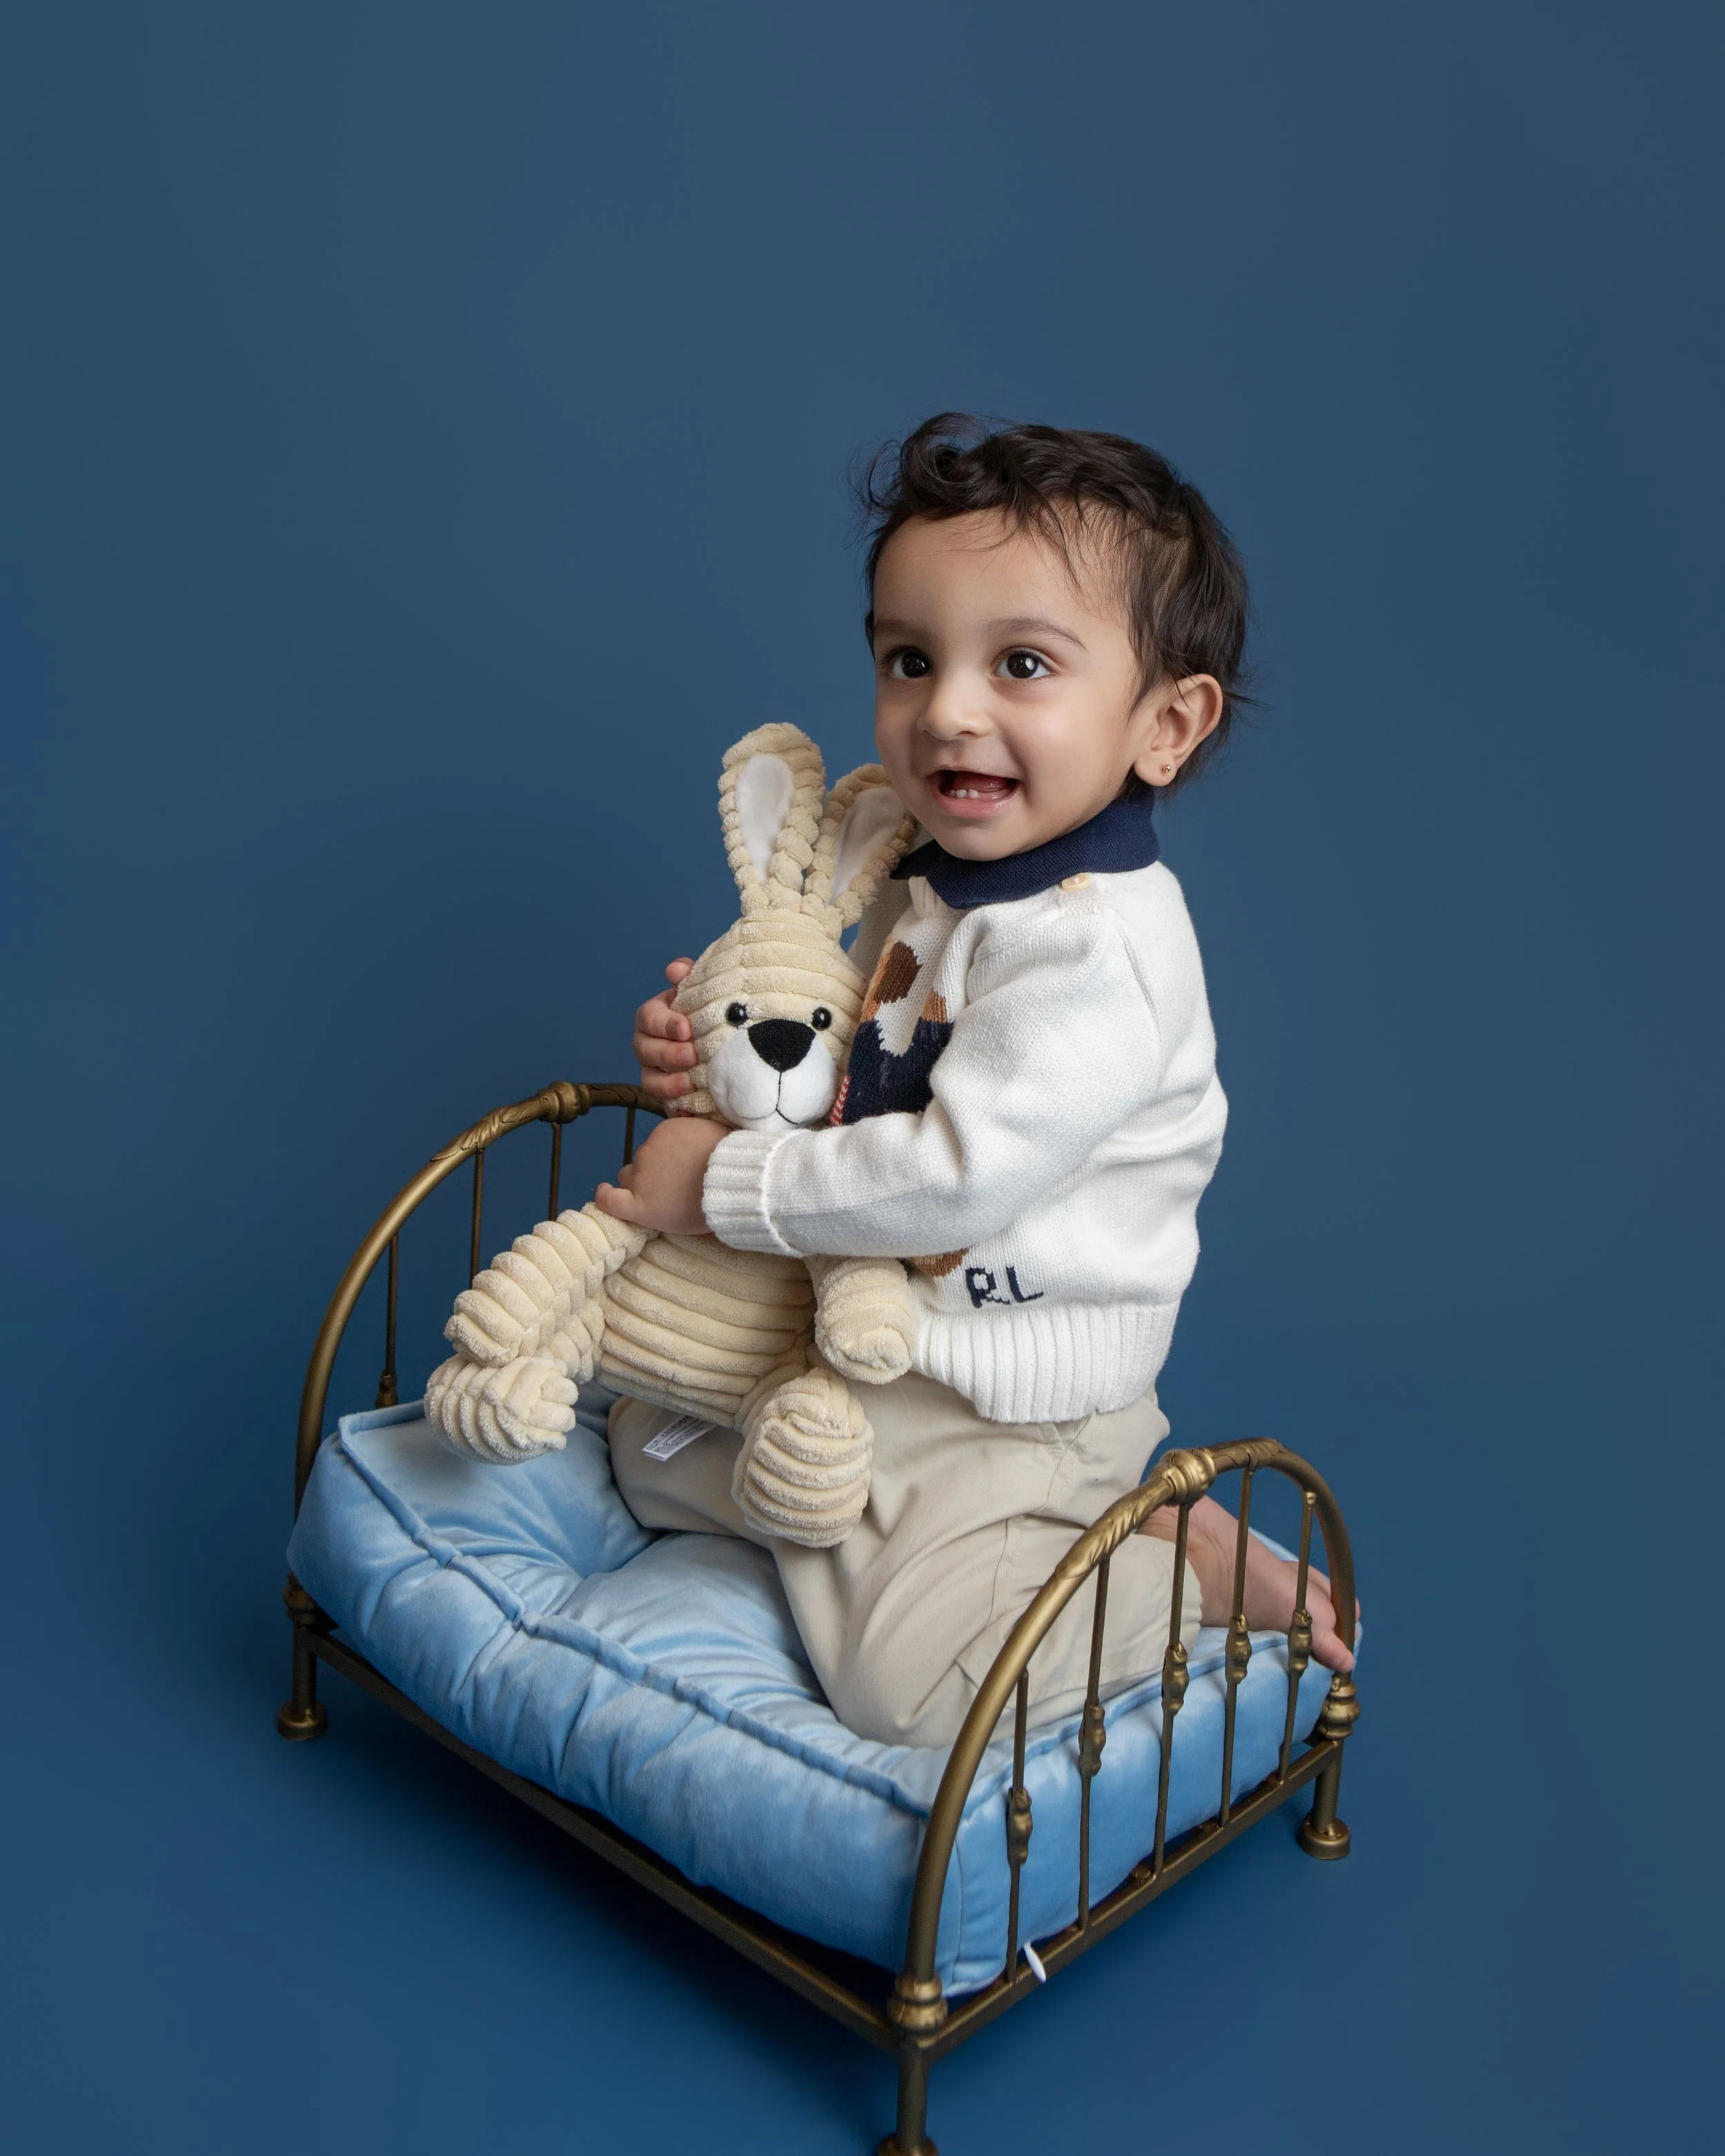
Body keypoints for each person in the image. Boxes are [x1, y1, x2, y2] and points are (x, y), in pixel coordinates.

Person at [595, 413, 1352, 1748]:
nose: (947, 709)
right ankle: (991, 1519)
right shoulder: (933, 878)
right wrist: (712, 1064)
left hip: (1017, 1406)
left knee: (916, 1691)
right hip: (888, 1342)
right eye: (909, 658)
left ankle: (1169, 1561)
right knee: (648, 1448)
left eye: (1021, 664)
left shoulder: (1096, 951)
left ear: (1164, 724)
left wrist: (721, 1181)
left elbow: (955, 1176)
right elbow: (849, 1057)